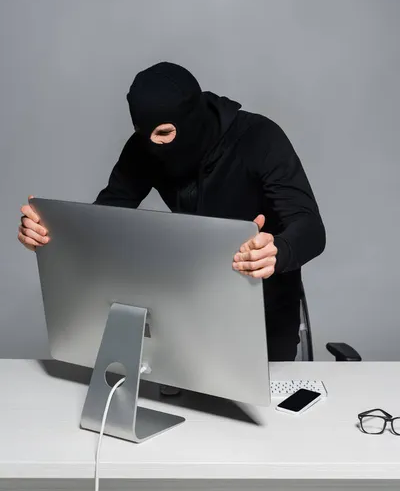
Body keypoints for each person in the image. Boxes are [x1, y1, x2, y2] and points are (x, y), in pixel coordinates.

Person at [18, 62, 326, 363]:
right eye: (143, 133)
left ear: (192, 120)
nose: (154, 145)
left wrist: (277, 251)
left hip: (264, 308)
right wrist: (50, 233)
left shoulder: (260, 138)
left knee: (261, 409)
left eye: (164, 132)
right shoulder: (144, 147)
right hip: (192, 307)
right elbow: (104, 222)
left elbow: (311, 227)